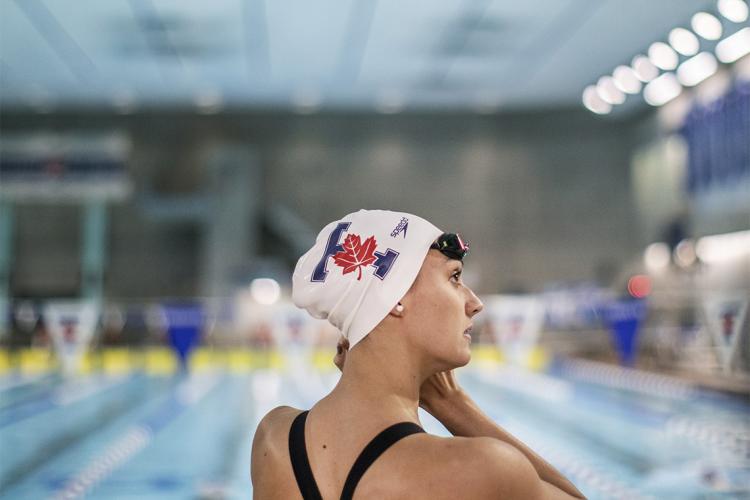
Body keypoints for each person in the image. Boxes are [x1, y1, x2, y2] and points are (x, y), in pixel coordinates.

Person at [251, 209, 585, 499]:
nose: (475, 302)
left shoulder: (274, 439)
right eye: (454, 277)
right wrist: (455, 407)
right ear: (394, 297)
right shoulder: (483, 470)